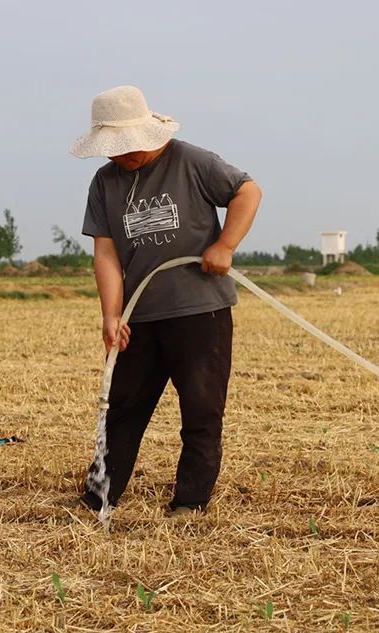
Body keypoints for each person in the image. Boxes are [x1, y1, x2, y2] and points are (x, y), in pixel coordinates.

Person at [71, 85, 262, 516]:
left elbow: (248, 192)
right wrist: (111, 313)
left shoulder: (194, 162)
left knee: (201, 408)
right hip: (141, 315)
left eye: (126, 147)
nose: (120, 157)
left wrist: (225, 245)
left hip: (200, 311)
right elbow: (106, 252)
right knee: (123, 407)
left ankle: (190, 503)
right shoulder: (104, 183)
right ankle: (99, 496)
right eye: (113, 150)